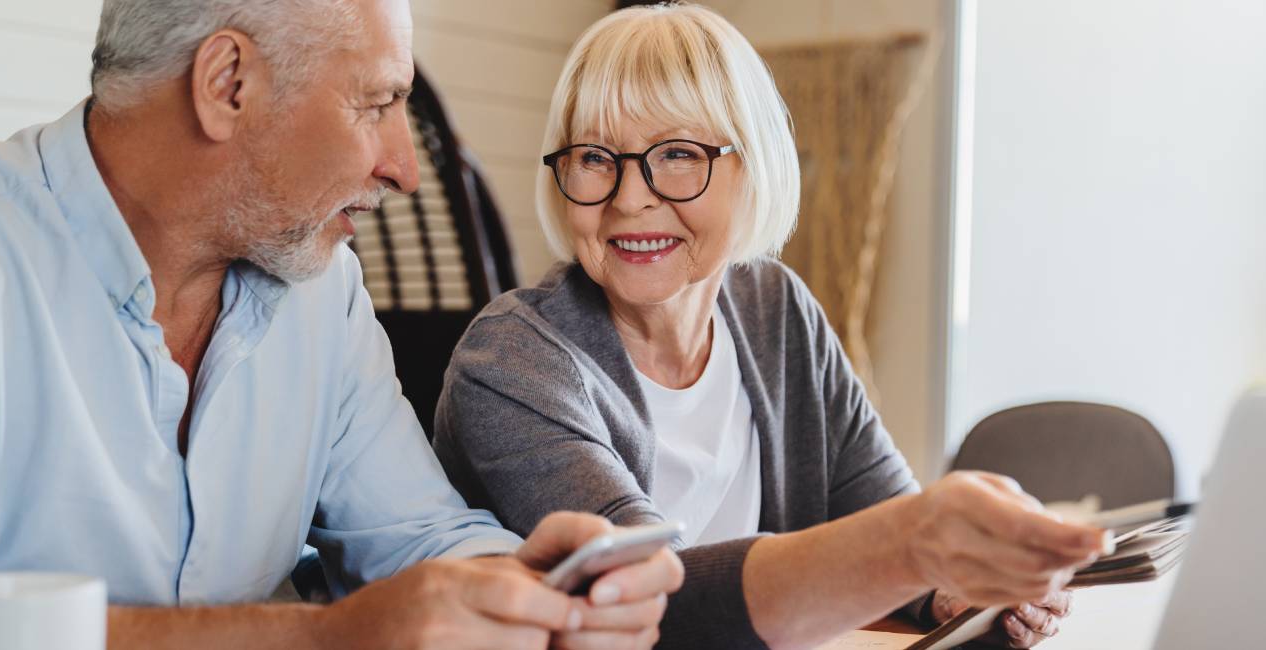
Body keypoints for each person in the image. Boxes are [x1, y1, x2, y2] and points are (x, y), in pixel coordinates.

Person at [0, 0, 682, 648]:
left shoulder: (321, 290)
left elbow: (417, 537)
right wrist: (328, 637)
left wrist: (526, 593)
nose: (405, 169)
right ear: (229, 83)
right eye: (378, 103)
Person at [432, 4, 1108, 649]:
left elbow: (879, 514)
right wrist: (911, 546)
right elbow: (647, 605)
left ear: (750, 167)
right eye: (595, 158)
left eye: (676, 155)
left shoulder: (776, 310)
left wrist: (957, 586)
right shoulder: (509, 362)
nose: (629, 198)